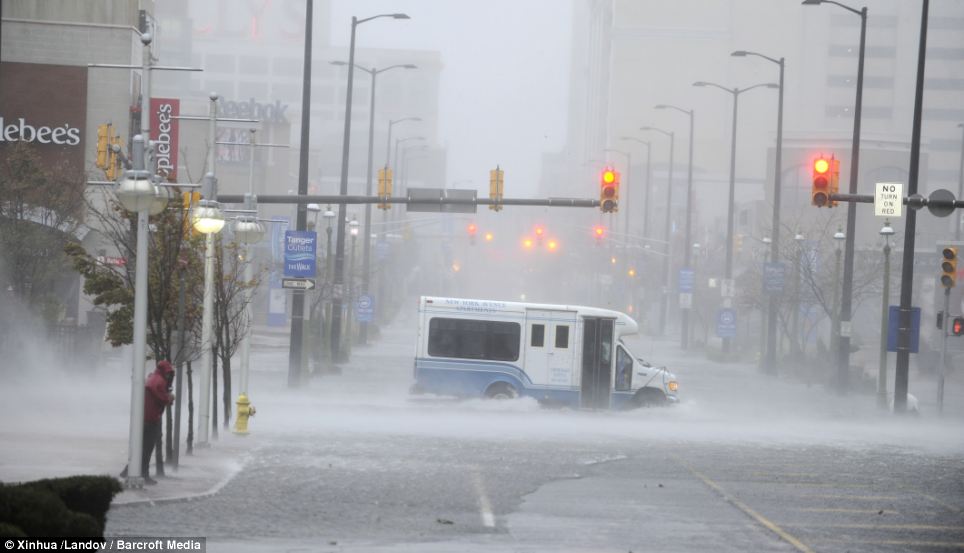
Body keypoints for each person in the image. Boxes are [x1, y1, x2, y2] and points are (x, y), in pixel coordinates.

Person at [121, 360, 175, 485]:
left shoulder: (153, 377)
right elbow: (158, 394)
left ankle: (129, 470)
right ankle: (142, 474)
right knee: (147, 449)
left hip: (146, 417)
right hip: (150, 419)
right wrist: (168, 398)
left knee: (142, 448)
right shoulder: (158, 381)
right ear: (164, 372)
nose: (168, 376)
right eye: (168, 373)